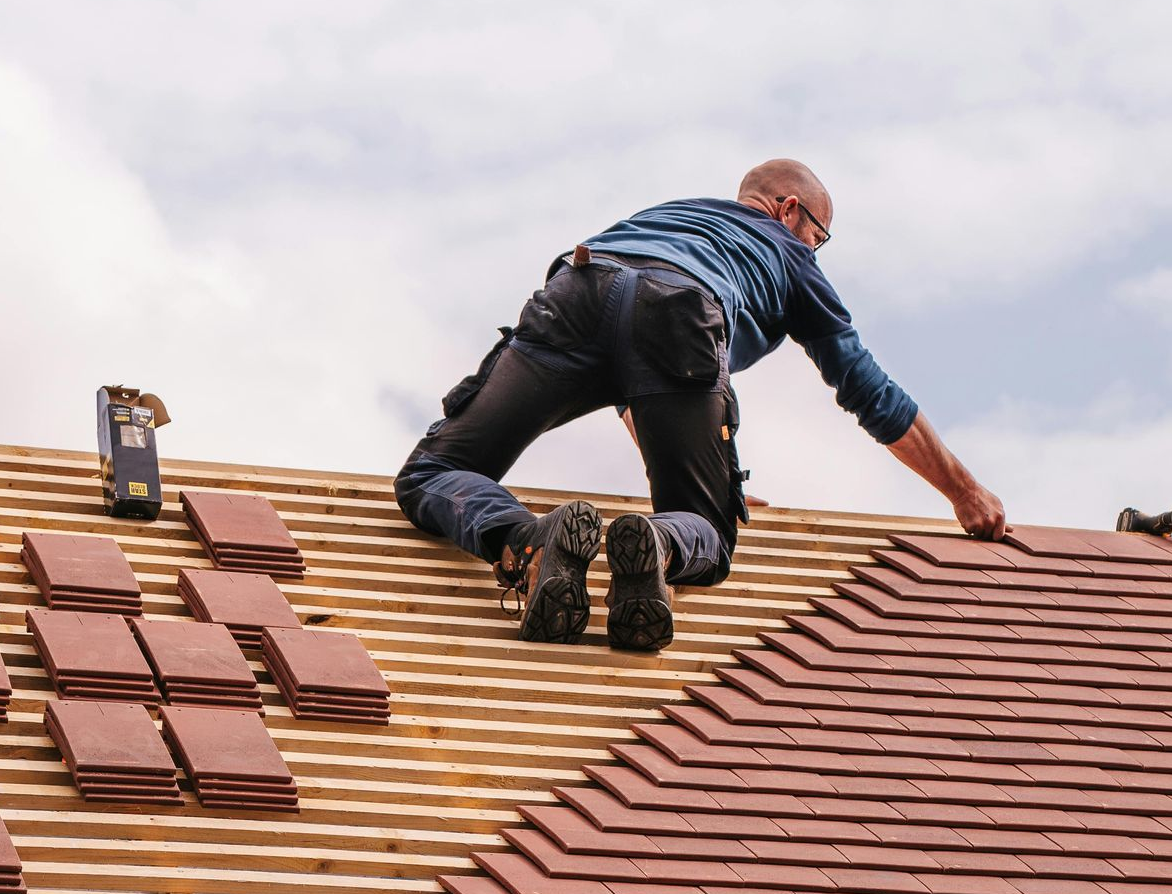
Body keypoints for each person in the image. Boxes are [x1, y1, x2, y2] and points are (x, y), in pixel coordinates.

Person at [393, 158, 1006, 652]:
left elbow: (625, 350)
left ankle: (523, 540)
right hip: (681, 314)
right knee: (707, 529)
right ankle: (661, 543)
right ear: (789, 210)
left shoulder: (666, 216)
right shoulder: (788, 255)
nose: (815, 250)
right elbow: (867, 388)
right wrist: (963, 492)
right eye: (819, 236)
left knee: (433, 472)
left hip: (578, 287)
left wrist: (719, 473)